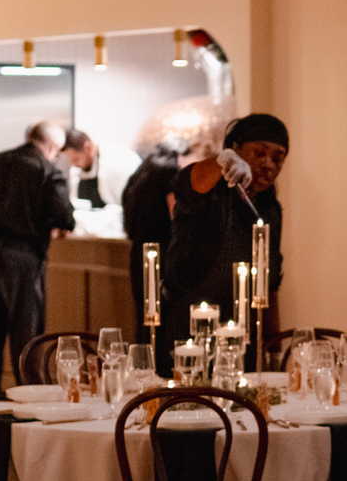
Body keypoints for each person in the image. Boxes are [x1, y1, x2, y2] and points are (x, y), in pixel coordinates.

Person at [161, 113, 286, 365]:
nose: (269, 164)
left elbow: (271, 282)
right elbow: (187, 183)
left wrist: (274, 345)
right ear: (236, 149)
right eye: (259, 153)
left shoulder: (270, 209)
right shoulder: (209, 193)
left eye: (277, 158)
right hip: (187, 328)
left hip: (243, 336)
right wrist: (222, 162)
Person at [0, 124, 74, 392]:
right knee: (26, 329)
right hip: (23, 255)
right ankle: (29, 393)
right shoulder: (46, 170)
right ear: (51, 146)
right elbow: (65, 217)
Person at [122, 137, 187, 339]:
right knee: (162, 317)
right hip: (163, 251)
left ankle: (142, 365)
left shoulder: (140, 172)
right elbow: (175, 215)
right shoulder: (171, 172)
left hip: (139, 251)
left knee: (145, 315)